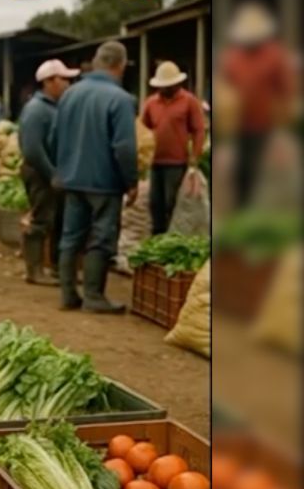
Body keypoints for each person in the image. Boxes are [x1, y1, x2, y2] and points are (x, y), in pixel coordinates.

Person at [50, 41, 138, 313]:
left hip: (72, 178)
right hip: (104, 182)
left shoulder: (70, 94)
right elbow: (123, 147)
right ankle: (94, 296)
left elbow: (54, 137)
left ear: (98, 61)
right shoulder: (121, 99)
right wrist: (131, 181)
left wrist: (63, 168)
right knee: (101, 237)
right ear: (120, 65)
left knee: (71, 235)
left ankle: (67, 294)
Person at [220, 0, 296, 207]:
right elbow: (225, 89)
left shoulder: (274, 55)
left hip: (267, 125)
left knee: (268, 176)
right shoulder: (233, 57)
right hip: (238, 126)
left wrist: (284, 123)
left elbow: (286, 90)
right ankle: (243, 211)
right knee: (242, 175)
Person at [18, 60, 79, 286]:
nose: (67, 83)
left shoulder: (55, 106)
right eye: (64, 79)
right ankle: (34, 271)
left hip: (54, 172)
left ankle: (56, 268)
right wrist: (51, 173)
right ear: (49, 81)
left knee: (58, 221)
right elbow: (33, 148)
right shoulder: (37, 109)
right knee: (42, 219)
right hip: (39, 172)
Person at [142, 60, 207, 234]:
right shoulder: (151, 103)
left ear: (177, 83)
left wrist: (195, 156)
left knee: (171, 202)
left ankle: (173, 235)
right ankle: (158, 236)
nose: (165, 88)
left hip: (177, 162)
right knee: (155, 203)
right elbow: (143, 129)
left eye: (168, 85)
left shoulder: (189, 101)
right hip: (155, 162)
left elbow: (199, 130)